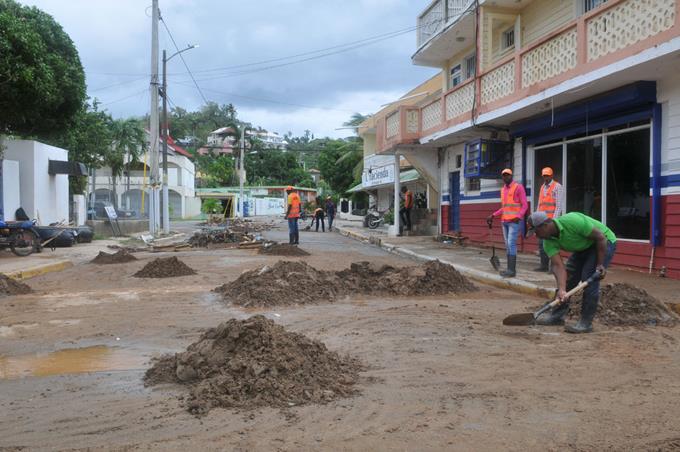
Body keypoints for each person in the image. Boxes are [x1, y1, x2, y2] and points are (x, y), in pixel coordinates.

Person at [528, 211, 617, 333]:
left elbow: (600, 237)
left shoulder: (572, 221)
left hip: (603, 241)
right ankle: (556, 317)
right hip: (583, 246)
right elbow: (558, 266)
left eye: (536, 231)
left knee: (589, 279)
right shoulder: (547, 241)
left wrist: (600, 264)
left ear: (546, 225)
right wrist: (562, 289)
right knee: (568, 278)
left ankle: (586, 323)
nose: (536, 236)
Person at [486, 168, 528, 278]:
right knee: (507, 245)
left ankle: (511, 270)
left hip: (514, 222)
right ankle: (510, 269)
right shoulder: (503, 190)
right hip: (504, 221)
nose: (506, 177)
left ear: (511, 176)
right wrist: (493, 215)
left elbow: (525, 205)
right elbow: (504, 208)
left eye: (507, 175)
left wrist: (518, 217)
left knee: (511, 244)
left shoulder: (518, 187)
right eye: (504, 175)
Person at [534, 167, 564, 272]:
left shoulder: (557, 187)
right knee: (541, 244)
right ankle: (544, 265)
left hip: (551, 221)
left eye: (547, 175)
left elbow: (559, 206)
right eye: (544, 176)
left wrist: (554, 221)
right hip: (542, 221)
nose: (545, 177)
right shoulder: (542, 187)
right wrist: (536, 218)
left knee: (552, 244)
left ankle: (553, 267)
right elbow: (539, 204)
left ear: (552, 175)